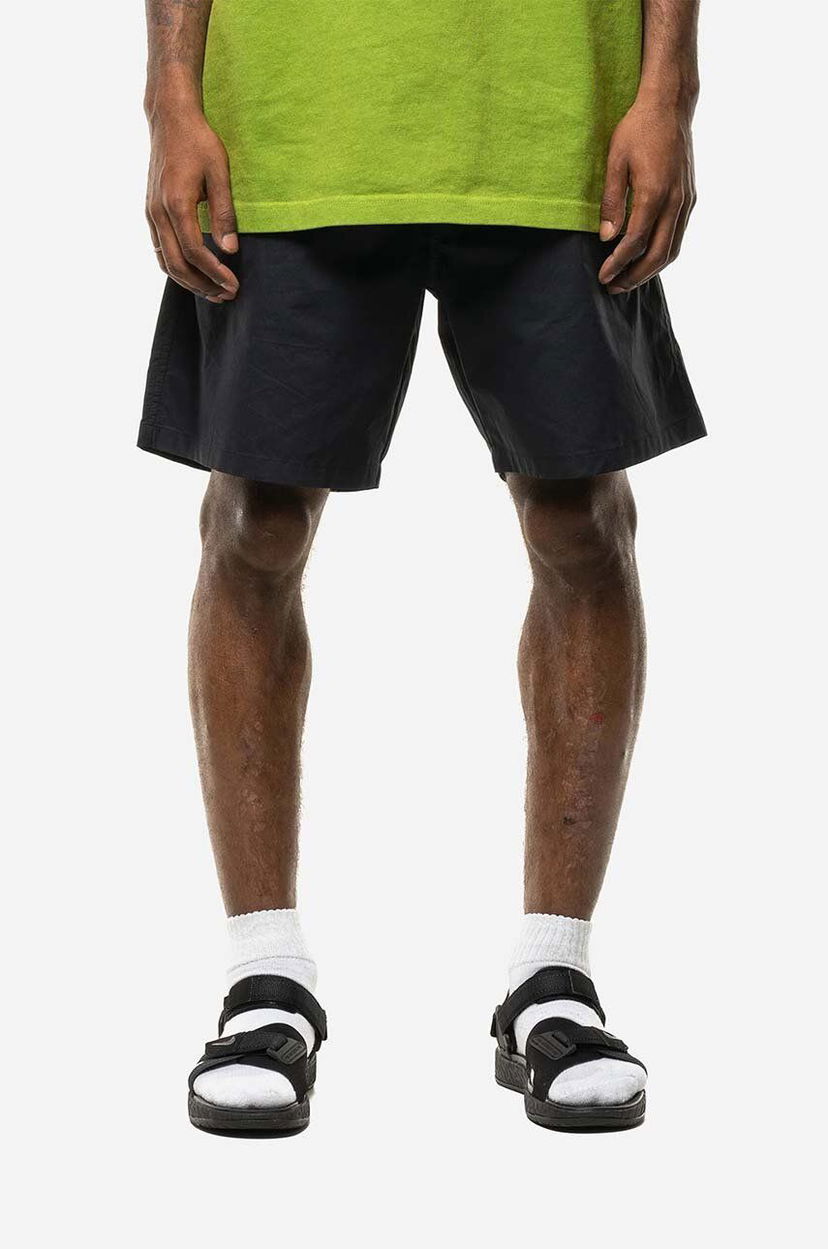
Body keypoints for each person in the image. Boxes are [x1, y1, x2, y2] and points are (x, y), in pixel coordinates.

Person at [140, 0, 703, 1133]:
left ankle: (553, 975)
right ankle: (264, 976)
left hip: (554, 114)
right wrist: (170, 94)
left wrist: (669, 90)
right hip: (296, 117)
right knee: (256, 523)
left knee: (580, 520)